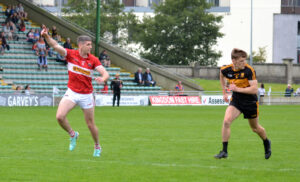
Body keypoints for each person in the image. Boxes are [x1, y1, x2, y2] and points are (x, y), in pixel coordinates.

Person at [41, 25, 109, 157]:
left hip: (86, 95)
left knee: (90, 125)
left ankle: (97, 146)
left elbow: (105, 73)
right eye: (88, 44)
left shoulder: (93, 59)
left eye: (91, 45)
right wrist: (46, 36)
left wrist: (103, 78)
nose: (90, 47)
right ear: (81, 45)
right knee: (59, 117)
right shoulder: (71, 55)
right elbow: (55, 46)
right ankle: (73, 134)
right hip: (72, 92)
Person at [214, 48, 271, 160]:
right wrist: (224, 92)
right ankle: (224, 151)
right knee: (226, 121)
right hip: (236, 101)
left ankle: (266, 142)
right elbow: (221, 74)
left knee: (255, 128)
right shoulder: (227, 70)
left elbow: (254, 90)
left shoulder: (249, 70)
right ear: (233, 61)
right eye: (241, 61)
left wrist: (237, 89)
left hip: (250, 102)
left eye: (245, 61)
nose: (244, 64)